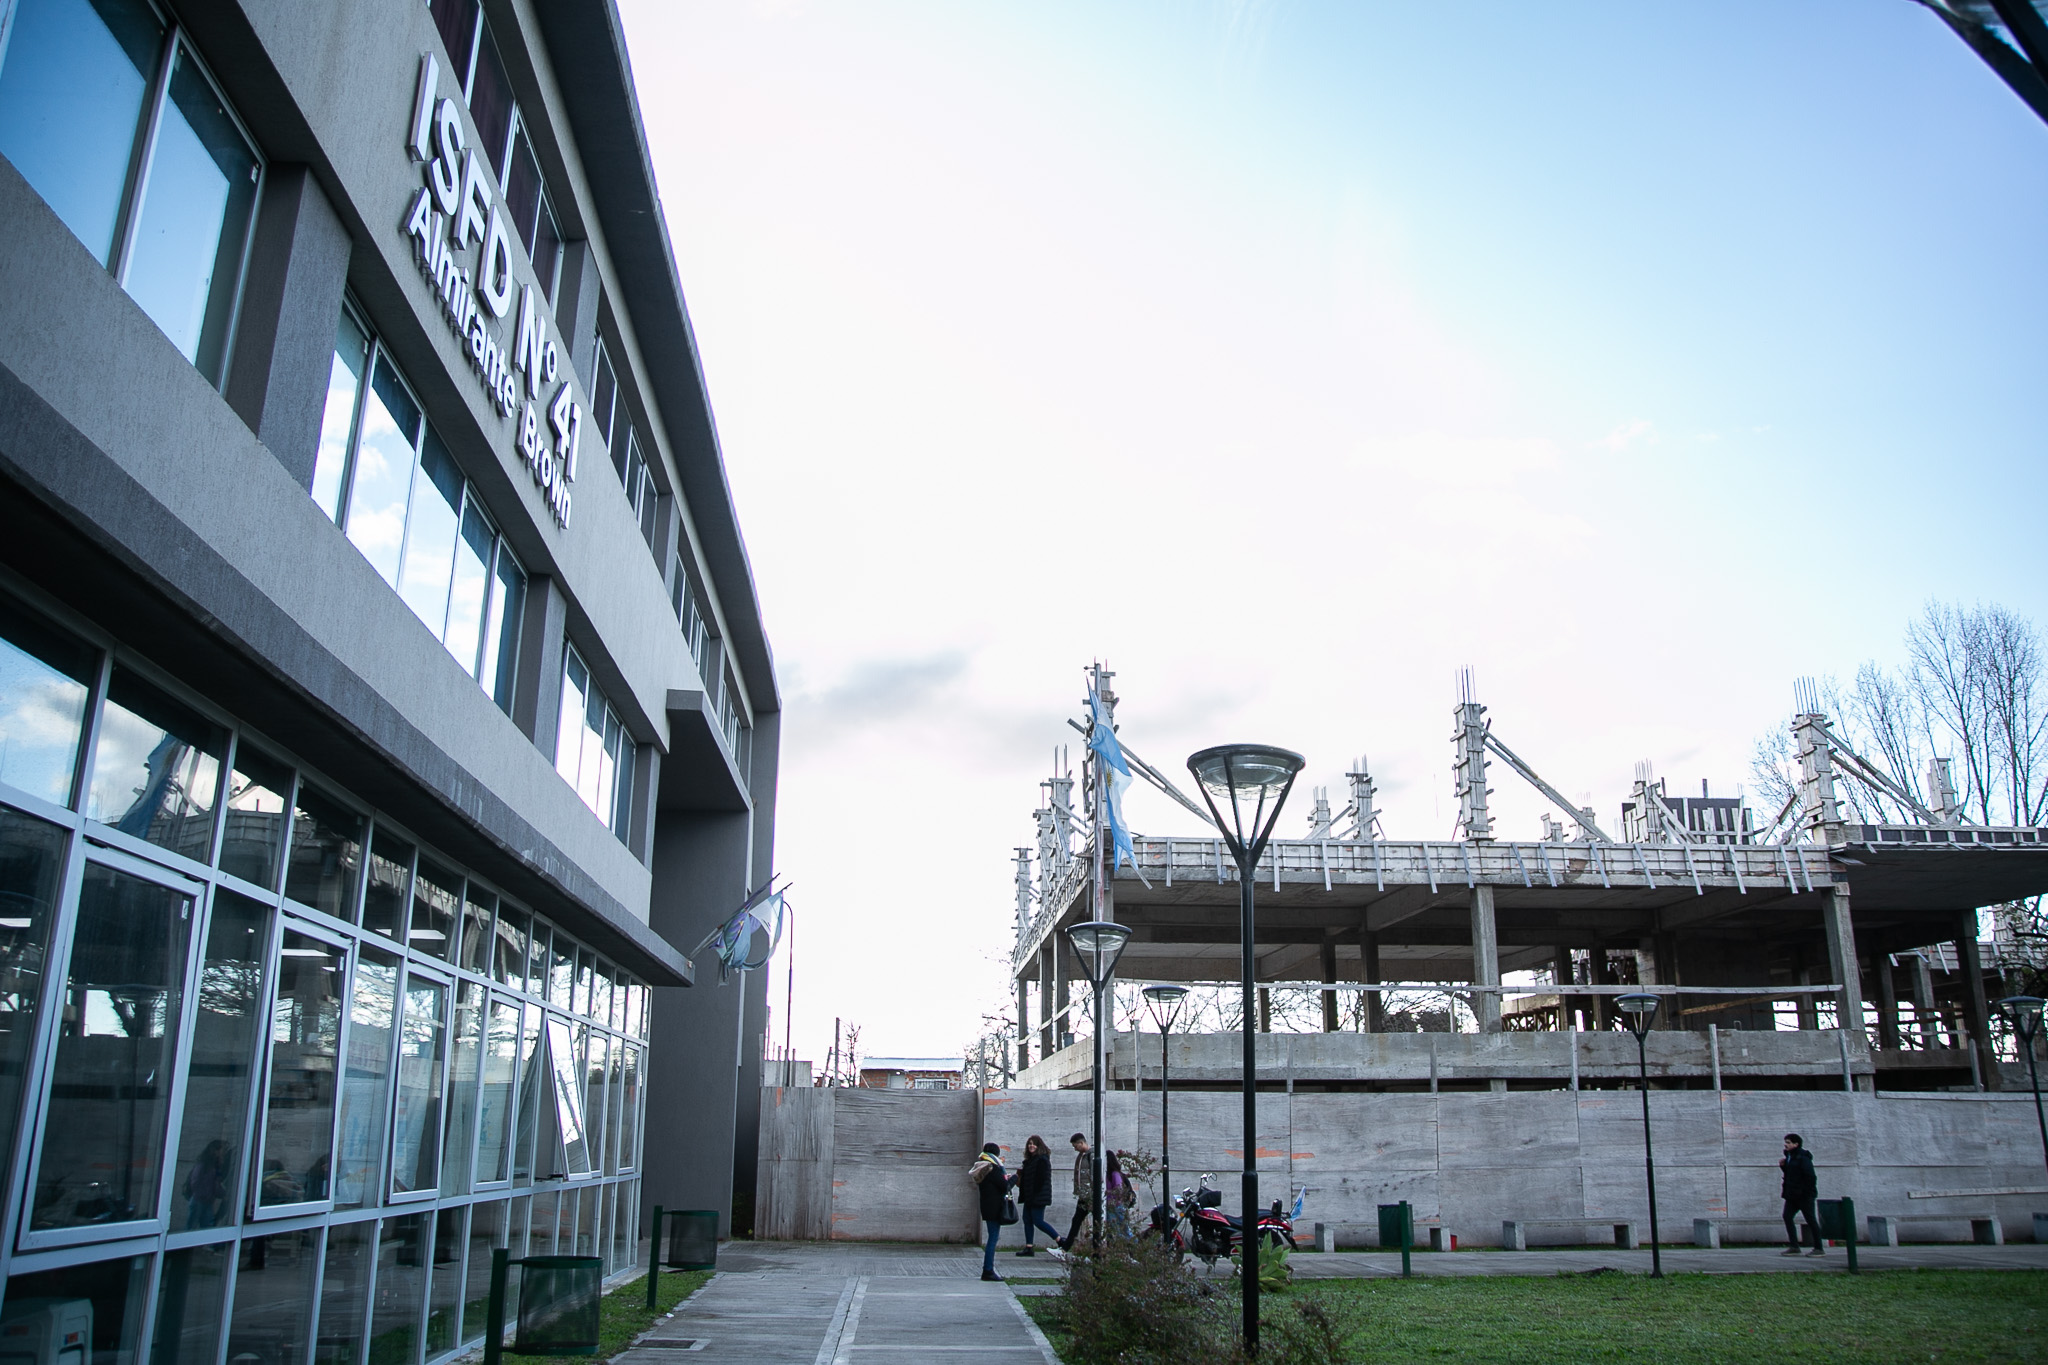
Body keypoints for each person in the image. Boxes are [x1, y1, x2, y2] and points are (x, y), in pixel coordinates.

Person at [970, 1141, 1012, 1281]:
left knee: (992, 1236)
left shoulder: (981, 1166)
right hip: (995, 1207)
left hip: (987, 1207)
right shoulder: (992, 1168)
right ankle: (988, 1270)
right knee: (993, 1238)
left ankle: (988, 1269)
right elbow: (1004, 1186)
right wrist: (1014, 1178)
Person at [1014, 1135, 1060, 1256]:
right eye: (1029, 1144)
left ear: (1039, 1146)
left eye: (1034, 1144)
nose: (1031, 1146)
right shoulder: (1029, 1161)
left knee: (1038, 1221)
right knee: (1027, 1220)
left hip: (1037, 1197)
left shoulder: (1042, 1160)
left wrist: (1034, 1194)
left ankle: (1060, 1240)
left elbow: (1041, 1180)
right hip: (1029, 1196)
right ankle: (1029, 1247)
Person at [1780, 1133, 1822, 1256]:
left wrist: (1807, 1193)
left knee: (1810, 1220)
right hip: (1792, 1195)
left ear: (1796, 1144)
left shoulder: (1803, 1158)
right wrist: (1783, 1167)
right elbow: (1792, 1175)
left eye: (1788, 1142)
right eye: (1786, 1142)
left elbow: (1810, 1176)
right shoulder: (1790, 1157)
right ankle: (1794, 1246)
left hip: (1804, 1195)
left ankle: (1819, 1248)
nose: (1785, 1145)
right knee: (1787, 1217)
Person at [1057, 1132, 1094, 1251]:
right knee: (1077, 1220)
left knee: (1082, 1221)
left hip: (1089, 1196)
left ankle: (1066, 1248)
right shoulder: (1081, 1156)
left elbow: (1094, 1176)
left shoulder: (1091, 1155)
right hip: (1084, 1196)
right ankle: (1065, 1248)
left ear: (1081, 1143)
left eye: (1075, 1146)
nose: (1075, 1149)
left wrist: (1091, 1192)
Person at [1104, 1149, 1135, 1237]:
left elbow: (1119, 1190)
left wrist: (1106, 1192)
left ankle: (1133, 1244)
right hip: (1111, 1206)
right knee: (1113, 1231)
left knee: (1123, 1231)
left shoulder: (1114, 1174)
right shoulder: (1108, 1175)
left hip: (1116, 1206)